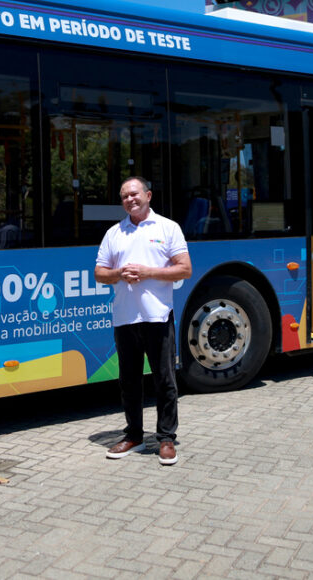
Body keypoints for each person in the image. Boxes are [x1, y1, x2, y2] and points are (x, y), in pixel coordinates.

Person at [94, 176, 192, 465]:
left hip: (157, 315)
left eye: (134, 194)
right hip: (125, 317)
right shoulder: (114, 233)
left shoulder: (167, 227)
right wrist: (119, 274)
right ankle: (134, 435)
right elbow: (100, 273)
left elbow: (184, 269)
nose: (130, 200)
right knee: (129, 382)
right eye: (124, 196)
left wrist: (148, 272)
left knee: (164, 380)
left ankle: (166, 439)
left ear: (148, 195)